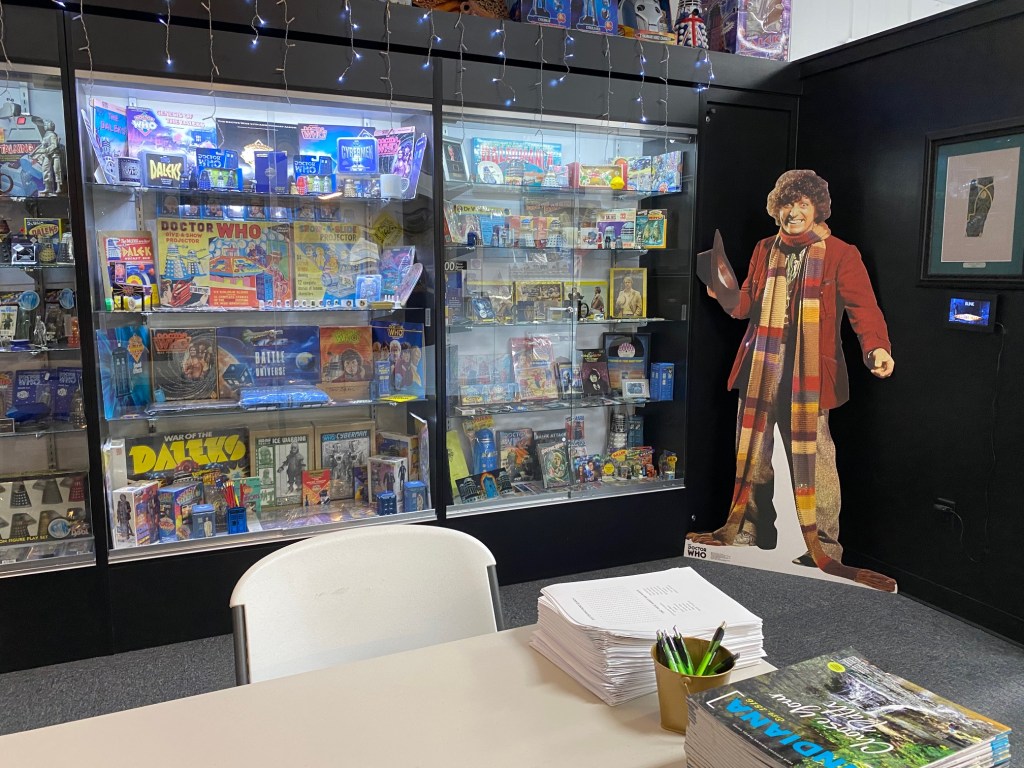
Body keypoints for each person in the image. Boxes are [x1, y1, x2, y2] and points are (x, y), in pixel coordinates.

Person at [690, 169, 896, 592]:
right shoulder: (765, 248)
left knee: (817, 459)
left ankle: (824, 546)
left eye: (802, 203)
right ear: (777, 209)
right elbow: (747, 305)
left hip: (810, 372)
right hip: (761, 365)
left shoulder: (841, 253)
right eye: (787, 204)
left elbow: (864, 308)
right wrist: (724, 293)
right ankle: (751, 530)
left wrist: (877, 348)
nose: (794, 212)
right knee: (752, 452)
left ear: (817, 208)